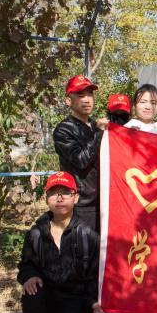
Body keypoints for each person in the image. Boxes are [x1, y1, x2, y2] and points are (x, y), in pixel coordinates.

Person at [18, 171, 100, 313]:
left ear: (75, 198)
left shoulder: (87, 234)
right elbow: (26, 265)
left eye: (65, 192)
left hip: (74, 296)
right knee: (31, 293)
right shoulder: (36, 234)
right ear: (47, 198)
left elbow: (95, 274)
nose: (60, 197)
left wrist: (93, 302)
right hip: (46, 294)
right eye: (54, 193)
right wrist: (29, 276)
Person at [124, 84, 157, 313]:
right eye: (143, 101)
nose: (148, 106)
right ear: (135, 105)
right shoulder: (125, 130)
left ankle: (154, 304)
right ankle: (137, 306)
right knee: (137, 250)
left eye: (153, 102)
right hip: (134, 200)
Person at [53, 75, 107, 233]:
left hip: (103, 201)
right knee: (82, 247)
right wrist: (98, 133)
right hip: (81, 204)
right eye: (80, 95)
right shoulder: (63, 130)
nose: (87, 100)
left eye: (90, 94)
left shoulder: (95, 125)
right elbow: (81, 160)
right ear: (68, 100)